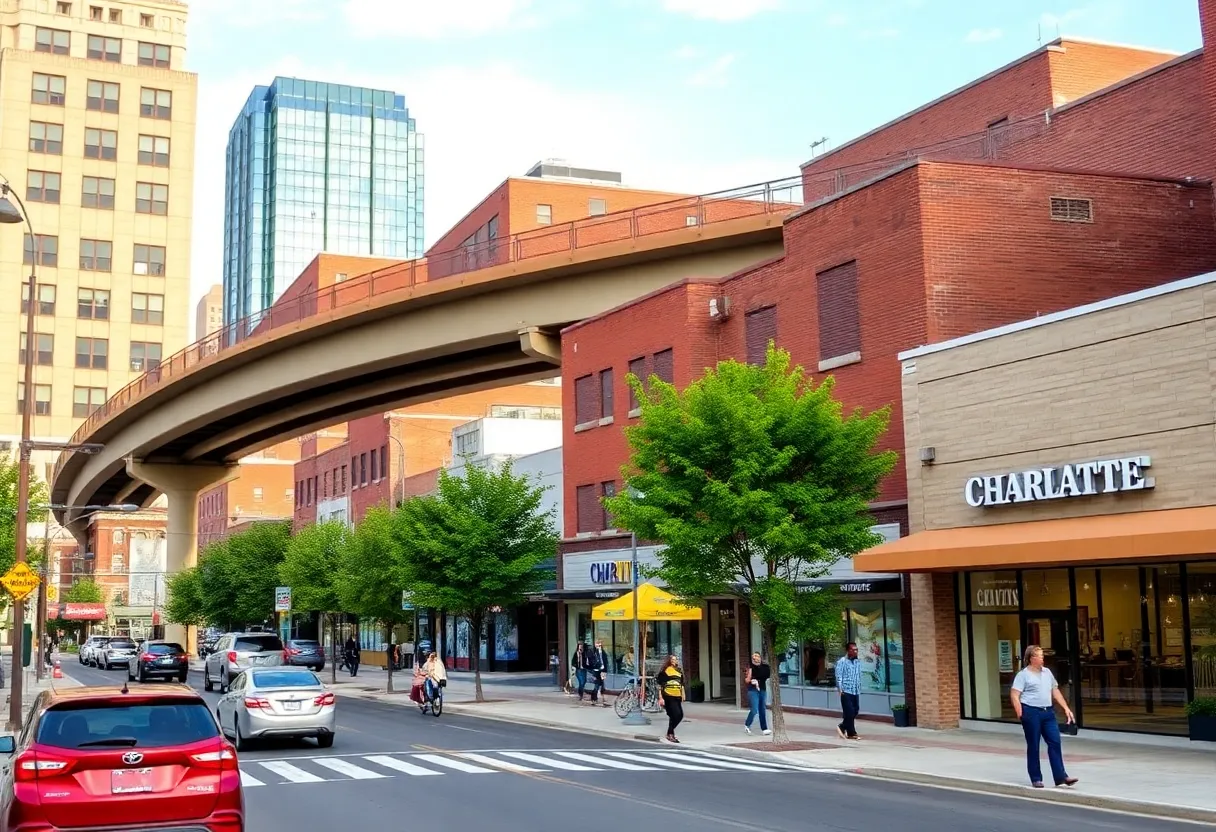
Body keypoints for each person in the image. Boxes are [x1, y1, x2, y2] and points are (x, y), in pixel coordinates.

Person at [1010, 645, 1079, 789]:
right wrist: (1020, 713)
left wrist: (1066, 708)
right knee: (1034, 745)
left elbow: (1055, 691)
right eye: (1040, 656)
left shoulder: (1047, 672)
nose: (1043, 658)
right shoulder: (1023, 675)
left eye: (1042, 655)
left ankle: (1061, 776)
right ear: (1031, 658)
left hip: (1048, 713)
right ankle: (1036, 778)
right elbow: (1015, 694)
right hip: (1031, 712)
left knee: (1055, 742)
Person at [655, 654, 685, 743]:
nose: (674, 661)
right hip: (668, 695)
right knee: (675, 714)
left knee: (679, 715)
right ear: (669, 661)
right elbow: (660, 685)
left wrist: (683, 694)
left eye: (675, 659)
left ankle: (670, 733)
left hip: (677, 695)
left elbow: (681, 683)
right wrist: (660, 698)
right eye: (672, 659)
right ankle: (670, 734)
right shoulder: (665, 671)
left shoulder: (679, 671)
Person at [835, 641, 861, 740]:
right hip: (846, 691)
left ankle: (850, 732)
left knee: (855, 710)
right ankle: (843, 727)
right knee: (849, 712)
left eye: (856, 649)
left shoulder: (857, 662)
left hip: (856, 690)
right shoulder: (842, 661)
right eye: (853, 649)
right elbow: (838, 676)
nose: (855, 651)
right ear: (848, 650)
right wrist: (840, 690)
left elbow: (858, 676)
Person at [743, 651, 772, 735]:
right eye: (754, 657)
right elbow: (747, 680)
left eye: (757, 656)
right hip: (753, 690)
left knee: (762, 709)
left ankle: (764, 728)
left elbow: (767, 675)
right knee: (754, 709)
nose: (756, 658)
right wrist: (751, 680)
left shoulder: (765, 667)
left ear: (760, 658)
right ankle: (747, 725)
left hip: (762, 689)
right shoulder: (751, 667)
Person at [585, 639, 608, 706]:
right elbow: (590, 661)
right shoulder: (592, 651)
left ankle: (603, 700)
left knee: (603, 685)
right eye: (598, 644)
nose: (599, 645)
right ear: (595, 644)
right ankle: (594, 699)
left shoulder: (603, 652)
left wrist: (605, 670)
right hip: (596, 671)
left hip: (602, 670)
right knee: (597, 685)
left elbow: (605, 661)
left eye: (600, 644)